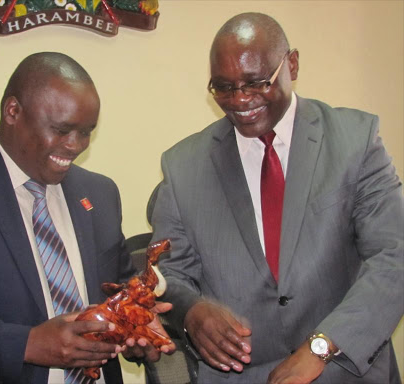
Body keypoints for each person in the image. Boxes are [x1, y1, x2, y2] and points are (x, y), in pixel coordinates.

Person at [150, 12, 403, 384]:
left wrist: (322, 346)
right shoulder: (183, 166)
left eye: (256, 83)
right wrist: (191, 312)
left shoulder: (354, 140)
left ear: (293, 64)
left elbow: (393, 255)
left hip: (346, 369)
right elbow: (168, 275)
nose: (240, 100)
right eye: (223, 87)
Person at [0, 52, 173, 384]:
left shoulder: (99, 192)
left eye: (86, 132)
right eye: (62, 129)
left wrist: (132, 329)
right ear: (13, 111)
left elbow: (118, 288)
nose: (76, 145)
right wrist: (26, 344)